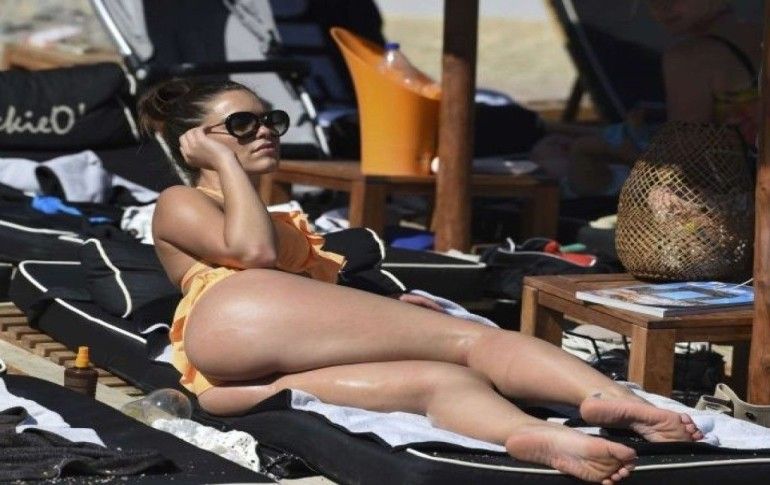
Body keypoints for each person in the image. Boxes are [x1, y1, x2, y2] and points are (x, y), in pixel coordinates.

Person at [139, 78, 703, 485]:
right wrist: (223, 163)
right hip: (235, 318)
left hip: (243, 375)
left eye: (271, 120)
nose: (264, 131)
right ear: (195, 141)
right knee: (470, 339)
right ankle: (609, 398)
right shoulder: (181, 198)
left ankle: (532, 438)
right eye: (241, 125)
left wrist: (380, 308)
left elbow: (298, 295)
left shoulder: (271, 214)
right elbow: (255, 255)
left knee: (443, 379)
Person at [531, 0, 761, 197]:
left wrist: (619, 153)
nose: (662, 7)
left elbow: (684, 166)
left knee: (579, 152)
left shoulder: (691, 58)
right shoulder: (760, 37)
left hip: (735, 200)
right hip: (753, 189)